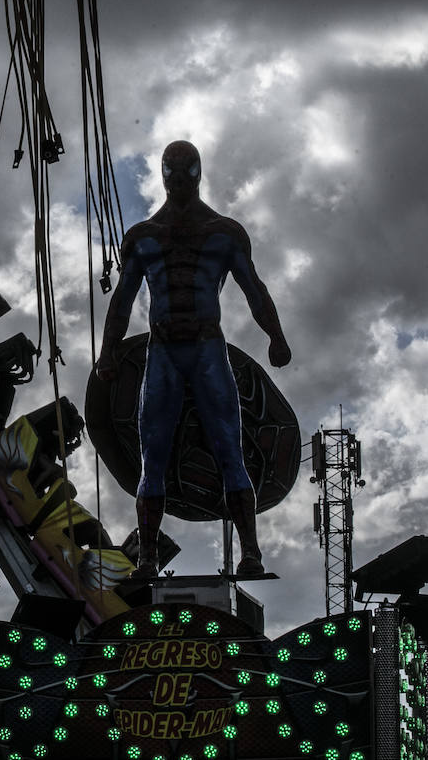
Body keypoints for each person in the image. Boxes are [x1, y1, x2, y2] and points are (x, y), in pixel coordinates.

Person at [96, 140, 291, 579]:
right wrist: (107, 352)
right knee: (154, 456)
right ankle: (147, 557)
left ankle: (251, 551)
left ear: (197, 173)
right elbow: (122, 301)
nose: (180, 178)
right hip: (164, 349)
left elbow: (254, 290)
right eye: (173, 170)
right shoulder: (144, 238)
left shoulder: (222, 232)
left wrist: (276, 337)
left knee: (229, 447)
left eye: (187, 170)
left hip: (205, 347)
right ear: (164, 174)